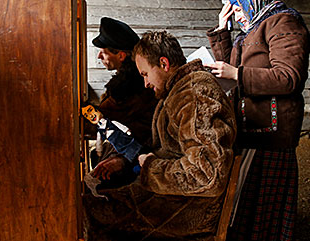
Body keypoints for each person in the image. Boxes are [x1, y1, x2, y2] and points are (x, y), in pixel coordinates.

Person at [83, 30, 237, 241]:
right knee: (92, 200)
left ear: (164, 64)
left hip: (183, 212)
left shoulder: (195, 96)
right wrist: (126, 161)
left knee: (87, 212)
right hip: (170, 201)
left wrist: (151, 167)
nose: (145, 83)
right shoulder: (178, 91)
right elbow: (169, 149)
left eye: (145, 74)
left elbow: (207, 174)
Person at [205, 0, 310, 240]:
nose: (237, 15)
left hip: (271, 130)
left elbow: (288, 78)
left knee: (266, 200)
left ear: (254, 2)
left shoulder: (283, 23)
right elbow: (230, 69)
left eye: (238, 8)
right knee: (245, 197)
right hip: (251, 125)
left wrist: (237, 74)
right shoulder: (249, 31)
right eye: (233, 10)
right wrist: (222, 28)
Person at [88, 17, 158, 188]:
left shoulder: (128, 89)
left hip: (141, 157)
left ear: (120, 55)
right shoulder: (133, 79)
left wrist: (83, 109)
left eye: (104, 52)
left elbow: (97, 120)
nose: (99, 56)